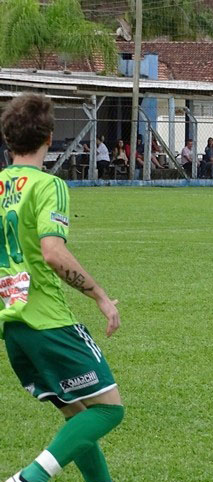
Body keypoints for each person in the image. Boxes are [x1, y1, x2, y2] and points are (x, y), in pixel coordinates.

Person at [0, 94, 124, 482]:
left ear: (8, 138)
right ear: (49, 138)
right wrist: (101, 297)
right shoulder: (49, 185)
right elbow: (53, 254)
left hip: (14, 327)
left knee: (77, 414)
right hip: (48, 321)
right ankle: (31, 478)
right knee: (109, 410)